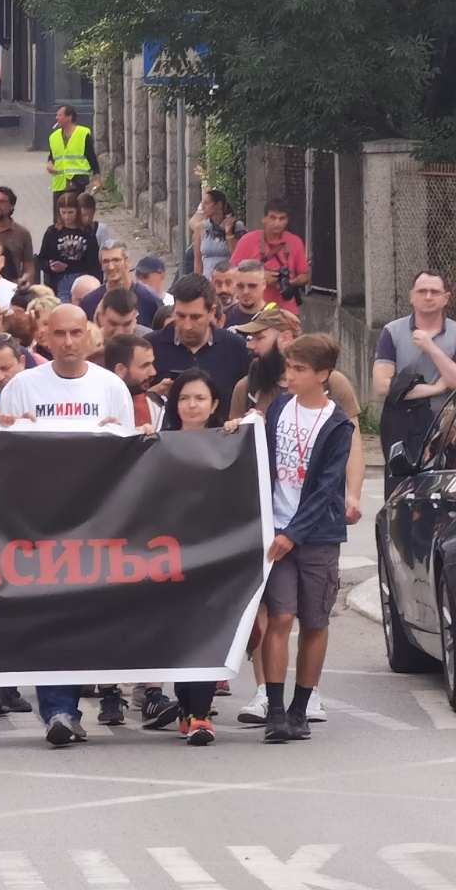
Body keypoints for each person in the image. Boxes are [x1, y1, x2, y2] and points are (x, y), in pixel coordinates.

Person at [0, 304, 136, 747]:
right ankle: (57, 709)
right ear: (45, 337)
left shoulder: (111, 387)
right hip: (40, 522)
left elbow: (132, 459)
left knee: (86, 618)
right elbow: (4, 455)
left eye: (77, 333)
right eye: (60, 334)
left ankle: (79, 702)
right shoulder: (22, 386)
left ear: (90, 335)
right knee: (50, 618)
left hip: (96, 521)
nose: (70, 342)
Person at [255, 334, 353, 743]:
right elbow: (260, 454)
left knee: (314, 621)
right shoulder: (278, 408)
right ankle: (275, 708)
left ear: (323, 375)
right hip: (277, 530)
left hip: (316, 536)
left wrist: (294, 534)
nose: (289, 375)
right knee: (279, 617)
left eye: (299, 369)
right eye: (288, 367)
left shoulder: (338, 424)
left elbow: (327, 488)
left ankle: (300, 707)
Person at [157, 368, 227, 746]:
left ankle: (201, 714)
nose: (192, 404)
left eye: (200, 397)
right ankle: (185, 707)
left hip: (216, 554)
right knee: (181, 635)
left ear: (214, 403)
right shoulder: (159, 444)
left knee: (207, 632)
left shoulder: (232, 442)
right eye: (184, 398)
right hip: (169, 555)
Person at [371, 270, 456, 462]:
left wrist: (431, 347)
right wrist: (436, 388)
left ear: (446, 298)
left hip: (444, 424)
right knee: (400, 486)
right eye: (422, 291)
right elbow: (383, 385)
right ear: (411, 296)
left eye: (434, 292)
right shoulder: (392, 331)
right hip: (400, 421)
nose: (428, 297)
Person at [147, 274, 248, 407]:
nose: (187, 326)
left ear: (212, 312)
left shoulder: (235, 348)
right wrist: (152, 395)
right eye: (181, 316)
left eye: (195, 317)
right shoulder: (150, 347)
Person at [230, 199, 309, 312]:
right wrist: (260, 277)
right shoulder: (248, 240)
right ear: (264, 219)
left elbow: (305, 276)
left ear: (287, 221)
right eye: (273, 218)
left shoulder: (295, 242)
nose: (277, 223)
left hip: (285, 310)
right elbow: (232, 271)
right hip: (252, 310)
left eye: (282, 218)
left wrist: (288, 282)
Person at [36, 193, 101, 301]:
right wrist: (50, 266)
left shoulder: (86, 232)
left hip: (82, 279)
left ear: (77, 211)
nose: (67, 216)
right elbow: (42, 258)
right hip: (59, 280)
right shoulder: (52, 232)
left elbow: (94, 262)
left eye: (70, 212)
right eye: (63, 212)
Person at [192, 189, 240, 275]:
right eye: (202, 203)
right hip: (207, 279)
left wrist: (229, 233)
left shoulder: (236, 226)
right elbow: (198, 261)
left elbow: (237, 255)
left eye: (206, 203)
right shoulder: (201, 228)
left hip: (227, 279)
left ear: (218, 205)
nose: (203, 207)